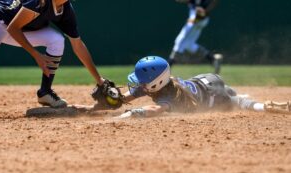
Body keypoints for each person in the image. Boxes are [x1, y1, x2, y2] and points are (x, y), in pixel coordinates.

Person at [0, 0, 111, 108]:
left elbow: (78, 45)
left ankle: (45, 92)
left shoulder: (66, 10)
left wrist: (99, 80)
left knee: (56, 40)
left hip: (19, 30)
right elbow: (13, 28)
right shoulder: (38, 2)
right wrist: (36, 55)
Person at [112, 56, 290, 118]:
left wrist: (131, 113)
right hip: (204, 80)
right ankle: (244, 97)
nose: (139, 83)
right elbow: (122, 99)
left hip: (214, 94)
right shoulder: (161, 84)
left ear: (155, 83)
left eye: (142, 81)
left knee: (235, 101)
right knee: (233, 95)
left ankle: (263, 106)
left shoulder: (169, 95)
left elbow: (155, 109)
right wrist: (110, 97)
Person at [168, 0, 223, 74]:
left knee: (179, 40)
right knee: (189, 45)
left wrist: (205, 11)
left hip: (197, 18)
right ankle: (213, 59)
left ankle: (167, 69)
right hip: (199, 18)